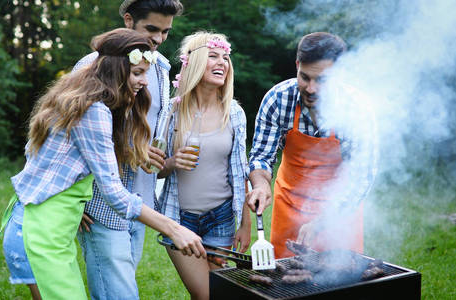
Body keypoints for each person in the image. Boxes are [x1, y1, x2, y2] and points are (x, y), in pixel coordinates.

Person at [0, 28, 205, 300]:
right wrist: (173, 228)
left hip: (37, 225)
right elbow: (116, 196)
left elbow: (36, 154)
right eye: (137, 73)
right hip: (39, 233)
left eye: (145, 72)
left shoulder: (83, 98)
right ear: (116, 70)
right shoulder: (94, 110)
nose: (145, 82)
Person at [71, 1, 184, 300]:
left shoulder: (160, 68)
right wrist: (72, 199)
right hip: (99, 203)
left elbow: (151, 126)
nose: (159, 39)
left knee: (118, 288)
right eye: (152, 29)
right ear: (128, 19)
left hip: (141, 200)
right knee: (119, 293)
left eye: (166, 32)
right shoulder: (90, 66)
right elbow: (69, 136)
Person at [246, 32, 378, 258]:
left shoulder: (357, 109)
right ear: (297, 65)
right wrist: (259, 185)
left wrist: (324, 221)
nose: (311, 89)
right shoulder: (277, 99)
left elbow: (360, 177)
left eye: (322, 80)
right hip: (290, 203)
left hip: (340, 209)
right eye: (305, 77)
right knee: (285, 284)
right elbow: (261, 156)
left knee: (341, 282)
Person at [157, 31, 251, 300]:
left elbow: (240, 171)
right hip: (180, 218)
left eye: (225, 57)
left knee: (220, 294)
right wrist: (173, 162)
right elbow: (153, 169)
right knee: (204, 294)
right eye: (213, 56)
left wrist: (245, 224)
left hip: (220, 218)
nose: (222, 62)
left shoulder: (233, 112)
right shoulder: (171, 111)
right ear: (194, 63)